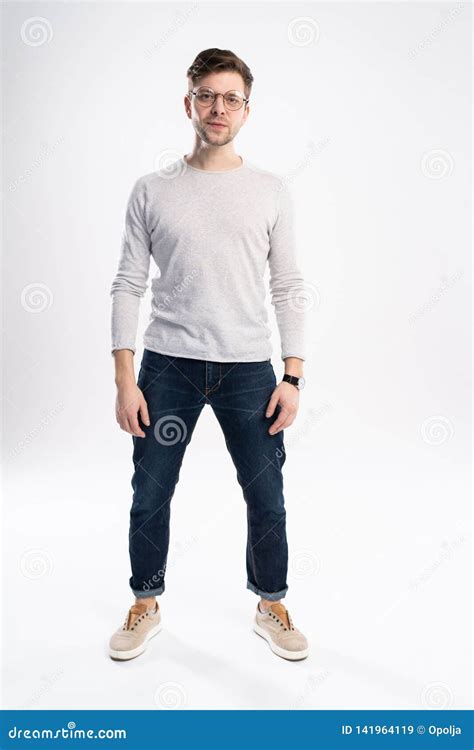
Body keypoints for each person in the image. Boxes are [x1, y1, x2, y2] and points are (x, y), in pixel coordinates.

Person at [108, 48, 309, 662]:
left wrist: (293, 375)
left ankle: (270, 600)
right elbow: (128, 284)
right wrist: (124, 379)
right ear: (188, 102)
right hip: (168, 365)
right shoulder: (152, 190)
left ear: (246, 110)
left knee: (266, 492)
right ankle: (145, 601)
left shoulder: (271, 190)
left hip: (250, 367)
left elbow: (288, 286)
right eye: (207, 96)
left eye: (231, 98)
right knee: (151, 488)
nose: (218, 108)